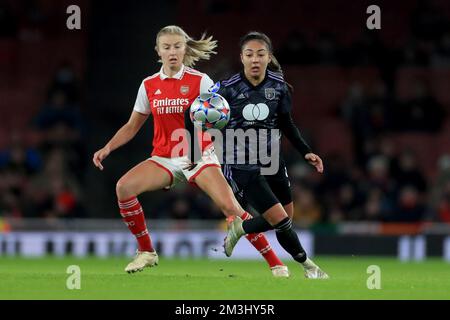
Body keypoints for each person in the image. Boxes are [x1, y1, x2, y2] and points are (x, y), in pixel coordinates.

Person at [92, 25, 289, 277]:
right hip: (164, 158)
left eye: (177, 46)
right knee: (124, 188)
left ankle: (276, 263)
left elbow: (222, 115)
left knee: (232, 210)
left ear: (185, 49)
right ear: (158, 51)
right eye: (167, 47)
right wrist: (107, 148)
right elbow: (132, 126)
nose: (172, 52)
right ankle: (146, 252)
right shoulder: (149, 85)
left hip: (200, 155)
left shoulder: (200, 81)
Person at [215, 31, 328, 278]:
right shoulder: (226, 88)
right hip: (242, 162)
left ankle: (241, 228)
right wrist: (196, 147)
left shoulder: (278, 86)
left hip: (272, 159)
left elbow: (287, 124)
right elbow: (195, 112)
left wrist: (306, 151)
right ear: (241, 58)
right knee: (280, 220)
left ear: (269, 57)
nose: (255, 59)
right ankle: (310, 267)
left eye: (260, 54)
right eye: (249, 54)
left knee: (285, 218)